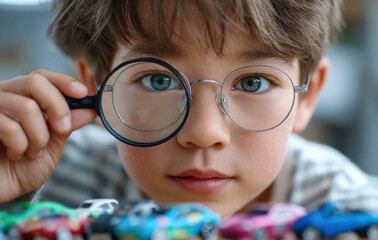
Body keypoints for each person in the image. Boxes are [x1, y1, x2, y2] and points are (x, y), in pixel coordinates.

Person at [2, 0, 376, 217]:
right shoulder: (43, 174)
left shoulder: (352, 212)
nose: (203, 133)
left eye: (253, 83)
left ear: (306, 97)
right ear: (98, 89)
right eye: (158, 81)